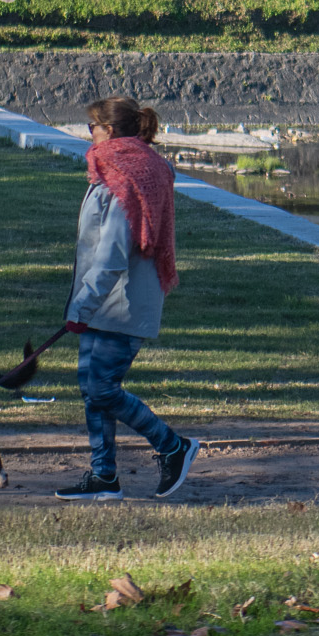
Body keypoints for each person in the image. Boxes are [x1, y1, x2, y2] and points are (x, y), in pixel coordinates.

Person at [53, 97, 197, 501]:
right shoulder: (123, 171)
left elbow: (113, 255)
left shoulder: (125, 180)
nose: (90, 134)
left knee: (101, 389)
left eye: (94, 127)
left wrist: (80, 307)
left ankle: (173, 445)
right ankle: (104, 477)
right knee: (93, 387)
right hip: (105, 303)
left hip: (121, 304)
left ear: (111, 132)